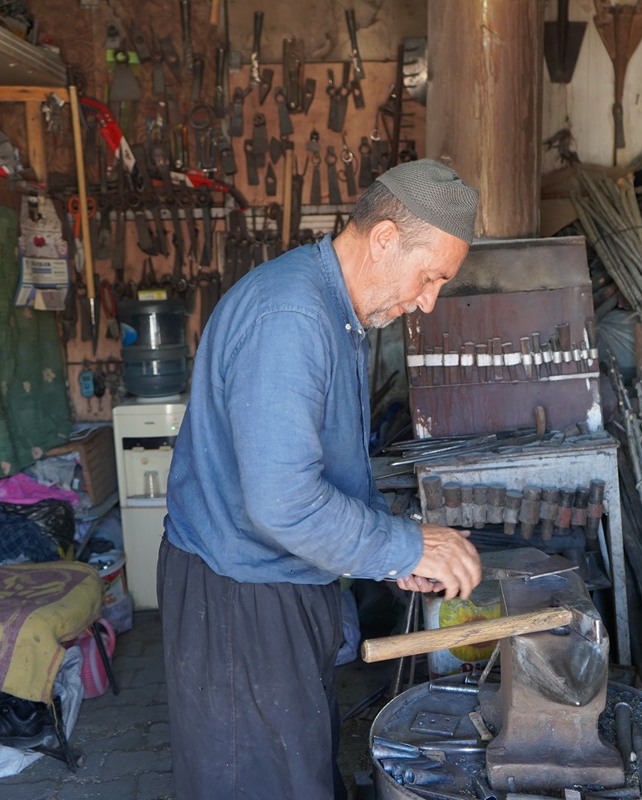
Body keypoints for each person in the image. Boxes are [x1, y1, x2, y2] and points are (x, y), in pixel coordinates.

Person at [159, 158, 484, 800]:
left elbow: (320, 471)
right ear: (385, 239)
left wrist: (386, 556)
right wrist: (408, 544)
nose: (428, 300)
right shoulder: (293, 318)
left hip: (273, 583)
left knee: (297, 770)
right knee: (256, 784)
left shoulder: (334, 311)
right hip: (239, 599)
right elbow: (283, 502)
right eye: (430, 277)